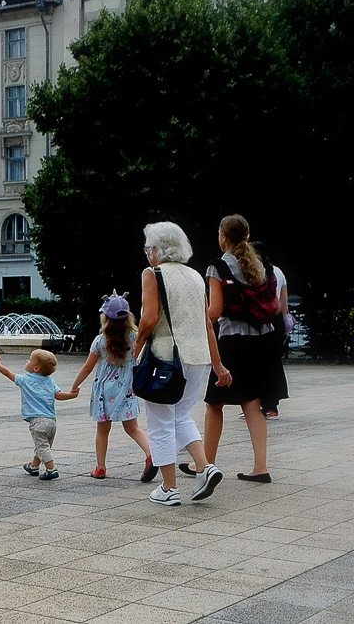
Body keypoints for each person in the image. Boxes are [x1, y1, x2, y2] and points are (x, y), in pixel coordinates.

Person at [134, 221, 230, 507]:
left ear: (157, 249)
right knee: (181, 417)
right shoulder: (195, 276)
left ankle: (169, 488)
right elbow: (208, 324)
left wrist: (135, 349)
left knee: (161, 423)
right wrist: (218, 365)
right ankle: (205, 467)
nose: (147, 253)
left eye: (148, 248)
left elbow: (149, 319)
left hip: (165, 358)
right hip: (197, 358)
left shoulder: (153, 274)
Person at [200, 215, 279, 484]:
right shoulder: (261, 265)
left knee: (214, 403)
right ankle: (261, 466)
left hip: (233, 341)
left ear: (223, 237)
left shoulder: (218, 266)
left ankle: (206, 464)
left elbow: (215, 311)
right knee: (253, 404)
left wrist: (197, 319)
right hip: (263, 340)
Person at [70, 292, 157, 482]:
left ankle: (100, 468)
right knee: (133, 428)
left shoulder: (100, 341)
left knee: (102, 431)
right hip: (127, 389)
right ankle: (152, 454)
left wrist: (75, 386)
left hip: (103, 391)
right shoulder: (135, 338)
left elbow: (87, 367)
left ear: (105, 318)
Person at [0, 349, 77, 480]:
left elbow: (7, 373)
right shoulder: (50, 381)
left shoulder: (25, 379)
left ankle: (51, 469)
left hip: (37, 421)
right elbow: (58, 395)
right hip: (52, 421)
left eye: (29, 360)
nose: (27, 361)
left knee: (42, 447)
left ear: (36, 368)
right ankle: (33, 466)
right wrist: (71, 395)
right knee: (42, 445)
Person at [251, 241, 291, 419]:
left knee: (258, 363)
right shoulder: (279, 271)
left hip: (263, 319)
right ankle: (271, 404)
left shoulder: (255, 271)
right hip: (277, 321)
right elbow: (284, 302)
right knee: (273, 363)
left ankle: (258, 403)